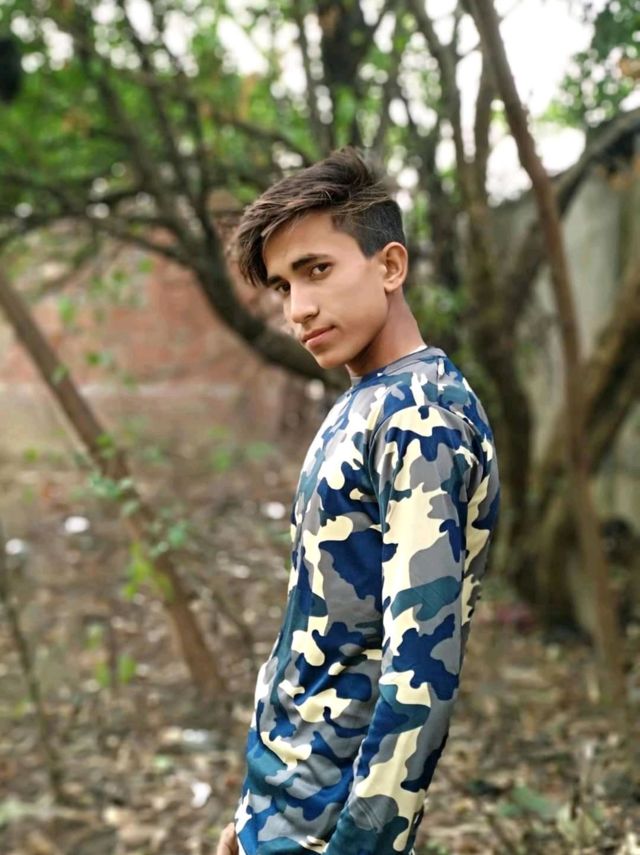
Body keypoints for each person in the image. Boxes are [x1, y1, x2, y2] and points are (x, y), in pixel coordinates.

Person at [216, 148, 500, 855]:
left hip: (329, 827)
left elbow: (421, 674)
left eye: (316, 270)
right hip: (284, 808)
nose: (298, 308)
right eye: (283, 286)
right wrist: (255, 817)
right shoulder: (368, 401)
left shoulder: (421, 419)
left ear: (390, 266)